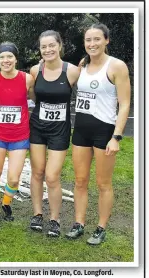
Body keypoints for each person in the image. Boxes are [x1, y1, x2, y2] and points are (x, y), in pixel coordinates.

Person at [66, 23, 131, 245]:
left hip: (104, 131)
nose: (92, 44)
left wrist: (116, 136)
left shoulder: (117, 66)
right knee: (80, 180)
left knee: (103, 183)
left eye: (96, 39)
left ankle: (101, 227)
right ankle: (79, 223)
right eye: (88, 40)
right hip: (81, 129)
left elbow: (124, 104)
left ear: (106, 41)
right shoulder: (82, 65)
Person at [28, 30, 80, 237]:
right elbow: (31, 95)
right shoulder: (35, 70)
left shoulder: (73, 71)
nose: (48, 50)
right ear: (40, 49)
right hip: (38, 127)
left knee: (52, 176)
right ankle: (38, 214)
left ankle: (55, 218)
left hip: (60, 129)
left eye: (52, 45)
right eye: (43, 46)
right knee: (38, 172)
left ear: (60, 45)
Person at [0, 42, 34, 228]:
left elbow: (34, 97)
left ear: (16, 59)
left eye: (9, 57)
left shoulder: (27, 79)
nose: (6, 60)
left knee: (13, 178)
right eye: (2, 57)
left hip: (20, 135)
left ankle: (6, 204)